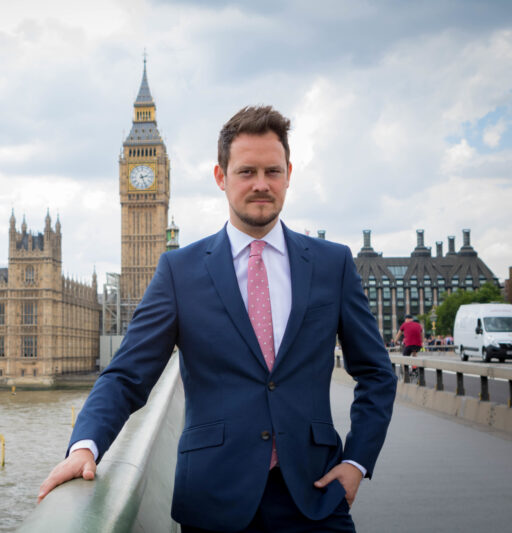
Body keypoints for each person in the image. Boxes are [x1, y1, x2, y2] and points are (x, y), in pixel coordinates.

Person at [38, 105, 397, 532]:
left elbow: (377, 373)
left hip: (316, 497)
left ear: (288, 174)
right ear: (220, 177)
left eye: (273, 171)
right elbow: (126, 375)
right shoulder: (179, 271)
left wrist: (357, 461)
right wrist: (85, 446)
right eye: (247, 172)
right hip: (213, 502)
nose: (261, 185)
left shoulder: (331, 263)